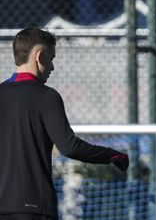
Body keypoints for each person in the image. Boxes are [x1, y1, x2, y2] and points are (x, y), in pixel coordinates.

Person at [0, 27, 129, 220]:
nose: (52, 67)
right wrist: (112, 155)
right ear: (39, 56)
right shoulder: (46, 97)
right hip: (33, 207)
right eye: (51, 58)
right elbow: (70, 147)